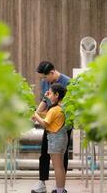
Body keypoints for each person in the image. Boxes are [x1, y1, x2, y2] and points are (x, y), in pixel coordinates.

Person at [31, 61, 72, 193]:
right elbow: (44, 101)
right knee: (45, 151)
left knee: (61, 156)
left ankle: (60, 186)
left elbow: (67, 107)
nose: (43, 80)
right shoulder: (46, 82)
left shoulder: (68, 82)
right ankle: (42, 181)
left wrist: (37, 116)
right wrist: (36, 113)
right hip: (50, 121)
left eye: (44, 77)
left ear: (52, 73)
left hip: (61, 125)